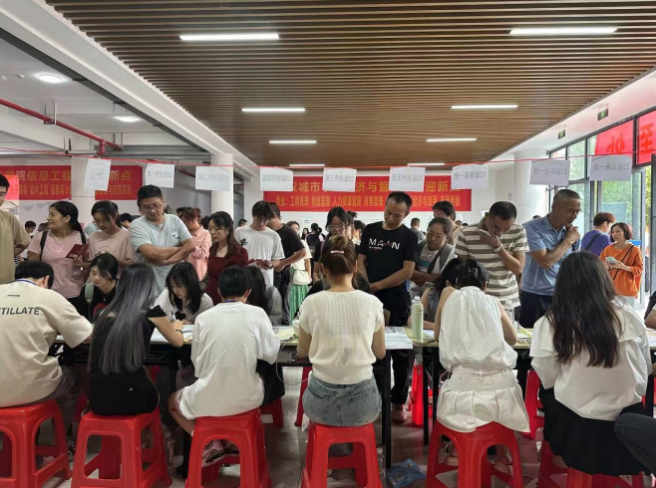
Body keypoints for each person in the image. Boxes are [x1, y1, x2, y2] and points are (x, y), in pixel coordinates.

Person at [530, 252, 649, 477]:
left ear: (563, 284)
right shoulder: (628, 314)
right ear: (603, 279)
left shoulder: (552, 321)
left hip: (581, 426)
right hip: (629, 421)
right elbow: (645, 369)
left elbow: (548, 378)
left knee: (548, 392)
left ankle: (562, 456)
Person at [434, 259, 528, 467]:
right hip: (505, 392)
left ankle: (457, 451)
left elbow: (437, 334)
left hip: (464, 391)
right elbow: (512, 338)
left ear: (456, 283)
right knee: (496, 407)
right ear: (486, 285)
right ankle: (503, 454)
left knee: (464, 404)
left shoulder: (448, 294)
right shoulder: (494, 301)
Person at [168, 266, 280, 439]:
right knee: (258, 378)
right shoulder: (258, 314)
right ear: (248, 292)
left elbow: (198, 365)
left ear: (219, 292)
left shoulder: (203, 319)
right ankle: (229, 442)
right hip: (247, 399)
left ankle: (206, 440)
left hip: (208, 397)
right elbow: (271, 356)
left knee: (171, 402)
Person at [297, 235, 386, 433]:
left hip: (320, 406)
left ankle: (328, 449)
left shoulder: (311, 303)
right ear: (355, 267)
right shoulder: (372, 303)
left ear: (323, 269)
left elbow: (302, 351)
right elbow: (380, 352)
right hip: (363, 406)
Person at [0, 261, 92, 439]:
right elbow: (86, 335)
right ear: (46, 280)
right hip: (29, 387)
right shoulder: (49, 297)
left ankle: (8, 443)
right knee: (73, 378)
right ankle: (58, 443)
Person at [88, 264, 185, 416]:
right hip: (132, 399)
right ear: (148, 287)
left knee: (140, 371)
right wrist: (177, 327)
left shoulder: (102, 315)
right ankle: (159, 428)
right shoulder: (152, 314)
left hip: (98, 400)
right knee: (153, 380)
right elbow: (178, 342)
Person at [358, 192, 418, 423]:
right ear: (384, 206)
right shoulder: (371, 230)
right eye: (388, 212)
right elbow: (360, 260)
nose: (391, 218)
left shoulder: (409, 236)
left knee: (401, 354)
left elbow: (407, 271)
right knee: (373, 351)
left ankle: (398, 401)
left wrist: (377, 286)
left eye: (397, 215)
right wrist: (366, 285)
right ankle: (375, 398)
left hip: (396, 300)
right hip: (370, 300)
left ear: (407, 214)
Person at [519, 189, 580, 329]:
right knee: (532, 337)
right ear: (554, 206)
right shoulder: (530, 228)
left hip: (562, 295)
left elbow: (572, 265)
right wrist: (568, 241)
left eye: (577, 211)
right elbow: (545, 261)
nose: (574, 216)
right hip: (535, 295)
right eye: (570, 211)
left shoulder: (571, 232)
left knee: (561, 338)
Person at [455, 201, 528, 312]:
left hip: (506, 299)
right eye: (496, 227)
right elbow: (462, 270)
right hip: (476, 300)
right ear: (487, 216)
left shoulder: (518, 231)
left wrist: (498, 247)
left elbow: (518, 269)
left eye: (506, 229)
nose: (500, 232)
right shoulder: (467, 233)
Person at [129, 185, 196, 296]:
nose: (152, 210)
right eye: (146, 207)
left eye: (156, 205)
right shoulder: (137, 225)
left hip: (176, 284)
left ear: (163, 202)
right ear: (140, 208)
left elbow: (191, 246)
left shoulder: (174, 219)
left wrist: (168, 261)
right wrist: (178, 248)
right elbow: (153, 253)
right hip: (150, 286)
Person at [27, 201, 88, 315]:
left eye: (52, 215)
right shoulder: (40, 238)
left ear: (67, 218)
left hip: (75, 296)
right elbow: (31, 268)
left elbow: (89, 265)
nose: (48, 218)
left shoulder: (83, 238)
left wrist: (82, 264)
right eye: (49, 214)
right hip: (47, 295)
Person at [267, 202, 305, 325]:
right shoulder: (266, 232)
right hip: (268, 274)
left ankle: (285, 332)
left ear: (273, 216)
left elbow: (302, 252)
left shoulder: (288, 232)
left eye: (265, 218)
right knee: (270, 306)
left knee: (282, 306)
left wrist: (283, 263)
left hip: (282, 276)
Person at [234, 201, 284, 288]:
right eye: (259, 218)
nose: (262, 222)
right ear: (253, 215)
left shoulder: (274, 236)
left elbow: (277, 260)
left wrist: (271, 264)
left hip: (265, 280)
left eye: (265, 219)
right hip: (243, 278)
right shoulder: (239, 232)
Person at [204, 211, 249, 305]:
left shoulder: (239, 253)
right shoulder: (213, 249)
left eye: (217, 229)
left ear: (228, 230)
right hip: (209, 298)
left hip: (228, 301)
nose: (212, 232)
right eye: (210, 228)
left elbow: (241, 283)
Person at [600, 222, 643, 308]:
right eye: (613, 232)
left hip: (627, 289)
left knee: (627, 315)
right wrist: (606, 266)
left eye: (618, 231)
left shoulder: (634, 250)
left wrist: (623, 267)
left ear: (625, 232)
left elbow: (639, 269)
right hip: (610, 289)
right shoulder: (608, 249)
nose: (615, 234)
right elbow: (599, 266)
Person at [87, 200, 135, 275]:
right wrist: (81, 263)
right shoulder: (94, 236)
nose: (101, 224)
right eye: (97, 220)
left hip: (118, 279)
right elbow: (91, 263)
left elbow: (131, 265)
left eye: (105, 220)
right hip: (96, 280)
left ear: (115, 216)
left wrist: (112, 259)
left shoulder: (127, 236)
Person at [411, 217, 456, 295]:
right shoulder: (418, 246)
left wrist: (419, 276)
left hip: (437, 296)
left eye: (438, 236)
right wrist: (435, 277)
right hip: (414, 294)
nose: (433, 238)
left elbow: (446, 280)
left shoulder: (451, 254)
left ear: (446, 238)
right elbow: (409, 273)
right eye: (430, 233)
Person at [0, 174, 31, 285]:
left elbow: (24, 242)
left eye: (1, 194)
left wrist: (7, 255)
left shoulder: (9, 218)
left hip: (4, 283)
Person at [313, 207, 352, 282]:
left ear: (346, 225)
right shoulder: (322, 246)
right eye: (332, 226)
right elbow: (315, 271)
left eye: (340, 225)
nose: (336, 229)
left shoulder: (352, 246)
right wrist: (319, 283)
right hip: (327, 285)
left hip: (348, 286)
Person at [176, 207, 211, 280]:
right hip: (183, 271)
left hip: (198, 272)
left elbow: (204, 253)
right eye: (183, 222)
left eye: (186, 222)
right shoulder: (184, 233)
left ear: (195, 219)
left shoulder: (205, 233)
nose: (184, 224)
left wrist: (191, 246)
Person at [288, 221, 312, 321]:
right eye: (293, 228)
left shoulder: (303, 243)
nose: (295, 230)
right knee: (289, 298)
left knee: (301, 299)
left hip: (300, 274)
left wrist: (309, 275)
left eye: (297, 229)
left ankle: (301, 322)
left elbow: (307, 261)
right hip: (289, 275)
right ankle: (289, 320)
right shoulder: (284, 242)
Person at [89, 253, 119, 319]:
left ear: (113, 275)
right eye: (93, 273)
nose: (96, 278)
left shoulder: (123, 291)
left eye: (103, 274)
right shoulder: (87, 291)